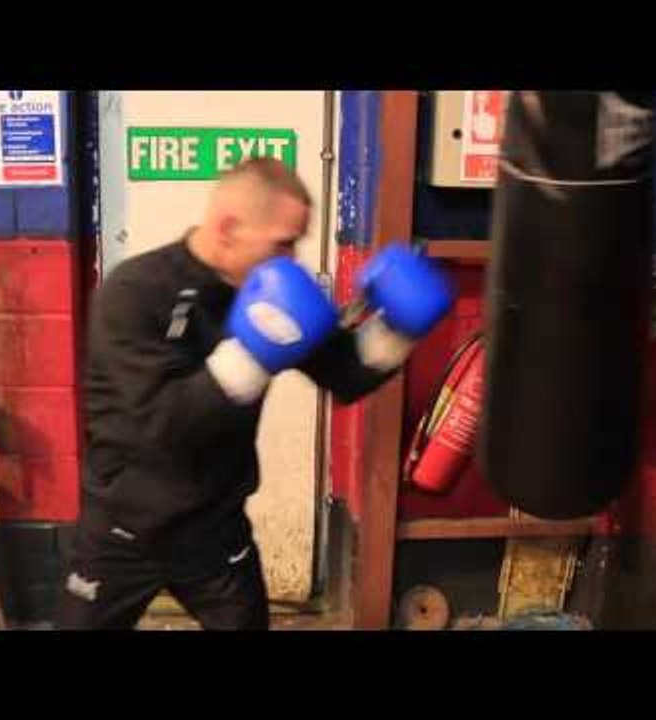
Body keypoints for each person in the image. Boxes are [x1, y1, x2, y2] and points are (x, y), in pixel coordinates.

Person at [57, 158, 453, 630]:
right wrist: (254, 353)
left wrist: (398, 329)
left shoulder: (272, 293)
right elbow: (157, 427)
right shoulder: (135, 292)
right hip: (122, 531)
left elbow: (346, 375)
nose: (292, 259)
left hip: (215, 530)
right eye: (282, 242)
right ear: (229, 228)